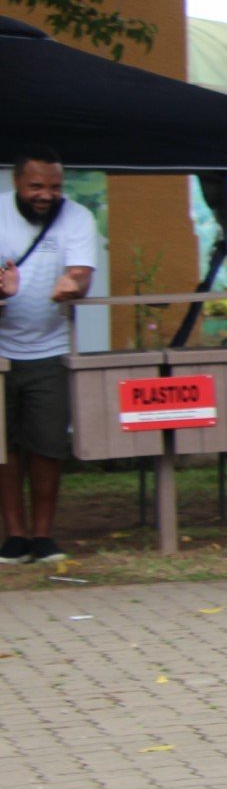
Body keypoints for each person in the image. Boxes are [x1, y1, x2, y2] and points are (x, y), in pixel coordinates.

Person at [0, 146, 95, 564]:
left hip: (51, 349)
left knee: (47, 444)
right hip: (1, 353)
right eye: (36, 186)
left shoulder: (78, 217)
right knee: (4, 447)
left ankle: (43, 535)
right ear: (17, 184)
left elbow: (82, 274)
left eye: (54, 187)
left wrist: (72, 285)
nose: (46, 194)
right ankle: (14, 535)